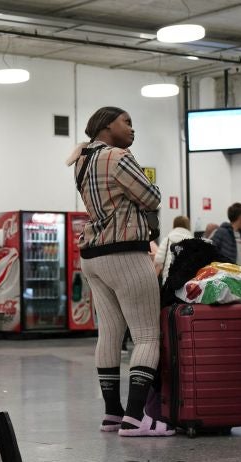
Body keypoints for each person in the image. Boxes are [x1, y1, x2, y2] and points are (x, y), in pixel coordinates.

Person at [67, 106, 172, 436]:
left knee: (109, 332)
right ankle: (136, 417)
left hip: (93, 255)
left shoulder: (82, 161)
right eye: (127, 121)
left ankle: (113, 413)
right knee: (145, 335)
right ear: (105, 125)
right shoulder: (118, 156)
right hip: (125, 251)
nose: (132, 129)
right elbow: (152, 198)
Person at [155, 215, 194, 284]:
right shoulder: (193, 241)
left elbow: (158, 260)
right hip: (186, 281)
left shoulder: (167, 240)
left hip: (168, 280)